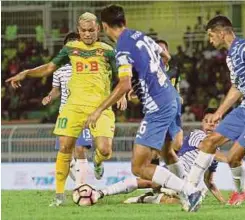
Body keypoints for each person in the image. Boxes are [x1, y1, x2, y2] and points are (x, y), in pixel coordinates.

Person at [84, 5, 202, 212]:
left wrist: (99, 110)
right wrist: (146, 80)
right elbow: (164, 54)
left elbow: (124, 84)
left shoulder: (122, 48)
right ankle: (188, 192)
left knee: (139, 167)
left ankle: (190, 191)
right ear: (125, 22)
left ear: (103, 26)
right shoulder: (140, 36)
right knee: (167, 152)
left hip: (158, 106)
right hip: (170, 96)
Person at [6, 12, 124, 206]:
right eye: (84, 31)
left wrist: (124, 96)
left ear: (98, 30)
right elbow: (48, 68)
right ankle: (59, 195)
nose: (87, 34)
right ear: (79, 31)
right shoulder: (70, 49)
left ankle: (98, 160)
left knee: (104, 149)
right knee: (65, 147)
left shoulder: (108, 51)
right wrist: (26, 73)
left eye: (91, 30)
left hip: (100, 107)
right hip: (73, 107)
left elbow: (122, 77)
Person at [187, 16, 245, 207]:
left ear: (222, 33)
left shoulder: (242, 46)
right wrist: (220, 111)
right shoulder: (231, 56)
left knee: (233, 158)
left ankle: (240, 191)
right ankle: (188, 189)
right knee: (208, 141)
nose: (210, 40)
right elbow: (237, 87)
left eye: (211, 35)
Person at [95, 108, 226, 205]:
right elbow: (205, 147)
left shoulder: (214, 154)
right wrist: (229, 159)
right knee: (149, 182)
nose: (210, 124)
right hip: (174, 172)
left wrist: (223, 202)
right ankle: (102, 192)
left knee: (176, 202)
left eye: (215, 122)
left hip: (187, 184)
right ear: (202, 123)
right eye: (207, 121)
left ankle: (146, 198)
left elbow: (209, 181)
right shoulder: (198, 134)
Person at [41, 32, 92, 184]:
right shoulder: (59, 69)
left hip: (83, 113)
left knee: (80, 149)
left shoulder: (89, 66)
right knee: (66, 155)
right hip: (64, 114)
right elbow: (56, 89)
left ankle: (82, 186)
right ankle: (81, 185)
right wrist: (50, 96)